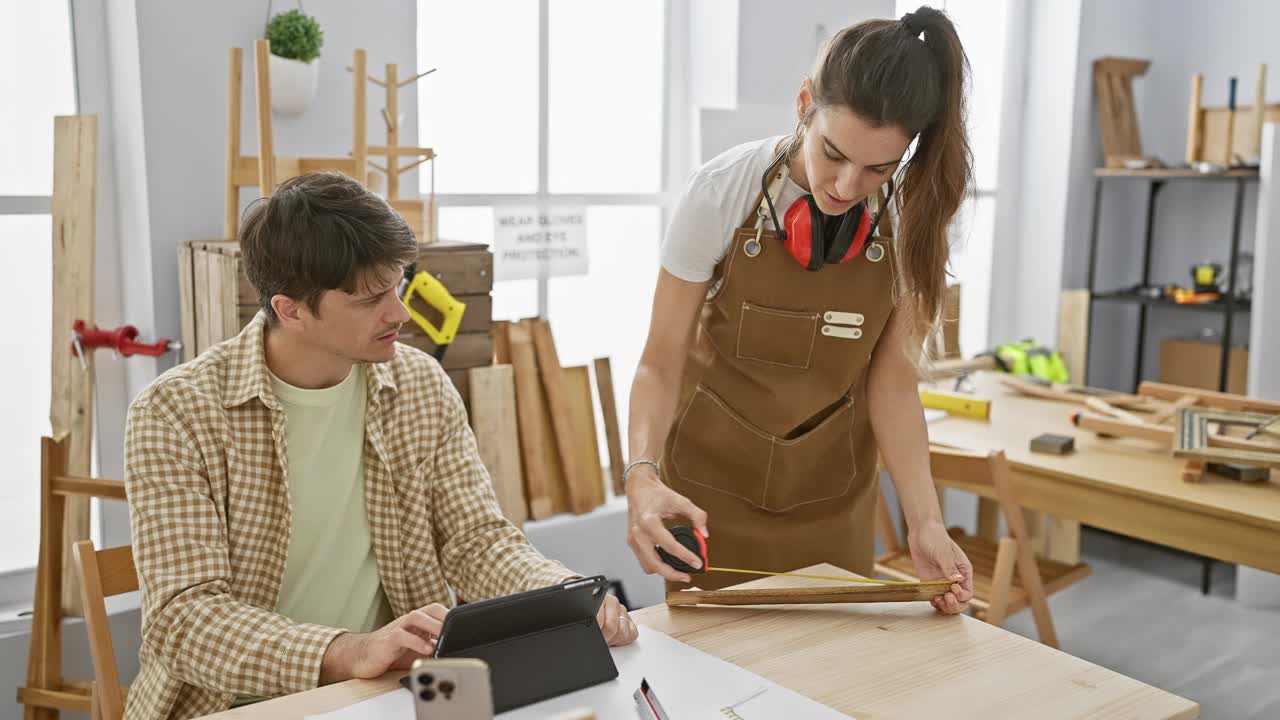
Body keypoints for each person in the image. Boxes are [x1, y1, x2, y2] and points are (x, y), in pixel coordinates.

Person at [124, 173, 636, 720]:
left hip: (386, 698)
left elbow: (477, 543)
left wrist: (563, 597)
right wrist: (349, 651)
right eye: (371, 299)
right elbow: (184, 620)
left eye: (398, 285)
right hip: (233, 706)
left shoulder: (419, 385)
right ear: (291, 309)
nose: (400, 313)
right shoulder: (174, 413)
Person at [624, 6, 975, 613]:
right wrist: (642, 477)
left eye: (877, 168)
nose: (844, 186)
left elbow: (892, 382)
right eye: (832, 153)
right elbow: (660, 360)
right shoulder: (720, 192)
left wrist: (925, 522)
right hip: (710, 493)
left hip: (831, 496)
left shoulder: (912, 221)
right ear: (804, 104)